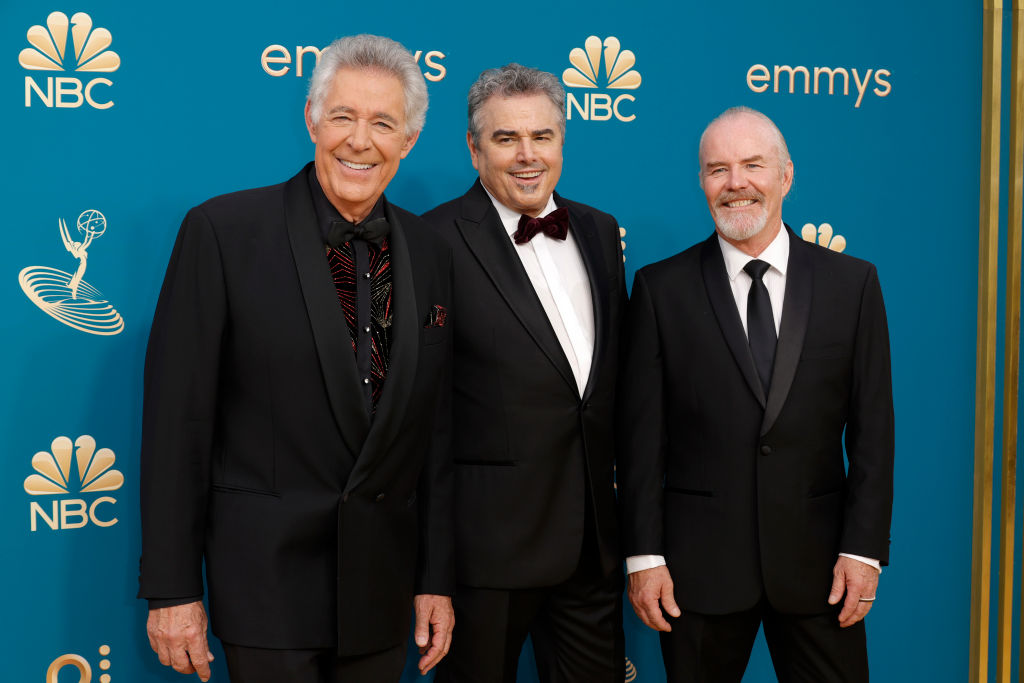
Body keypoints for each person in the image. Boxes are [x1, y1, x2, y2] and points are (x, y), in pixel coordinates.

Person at [138, 34, 454, 683]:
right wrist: (172, 590)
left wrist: (434, 577)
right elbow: (178, 424)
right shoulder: (222, 233)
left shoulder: (431, 250)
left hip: (381, 591)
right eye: (342, 116)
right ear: (311, 117)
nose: (359, 140)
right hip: (266, 590)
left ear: (409, 141)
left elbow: (437, 434)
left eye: (382, 123)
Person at [618, 106, 894, 682]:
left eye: (752, 165)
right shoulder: (659, 290)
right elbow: (642, 441)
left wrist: (863, 550)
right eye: (717, 169)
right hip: (697, 573)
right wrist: (645, 557)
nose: (735, 183)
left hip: (822, 569)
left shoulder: (854, 286)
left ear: (786, 175)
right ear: (702, 182)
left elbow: (874, 434)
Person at [422, 63, 626, 683]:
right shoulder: (430, 241)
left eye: (543, 136)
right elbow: (420, 416)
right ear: (473, 147)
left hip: (591, 545)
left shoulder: (598, 228)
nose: (527, 155)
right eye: (507, 138)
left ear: (563, 140)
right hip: (486, 555)